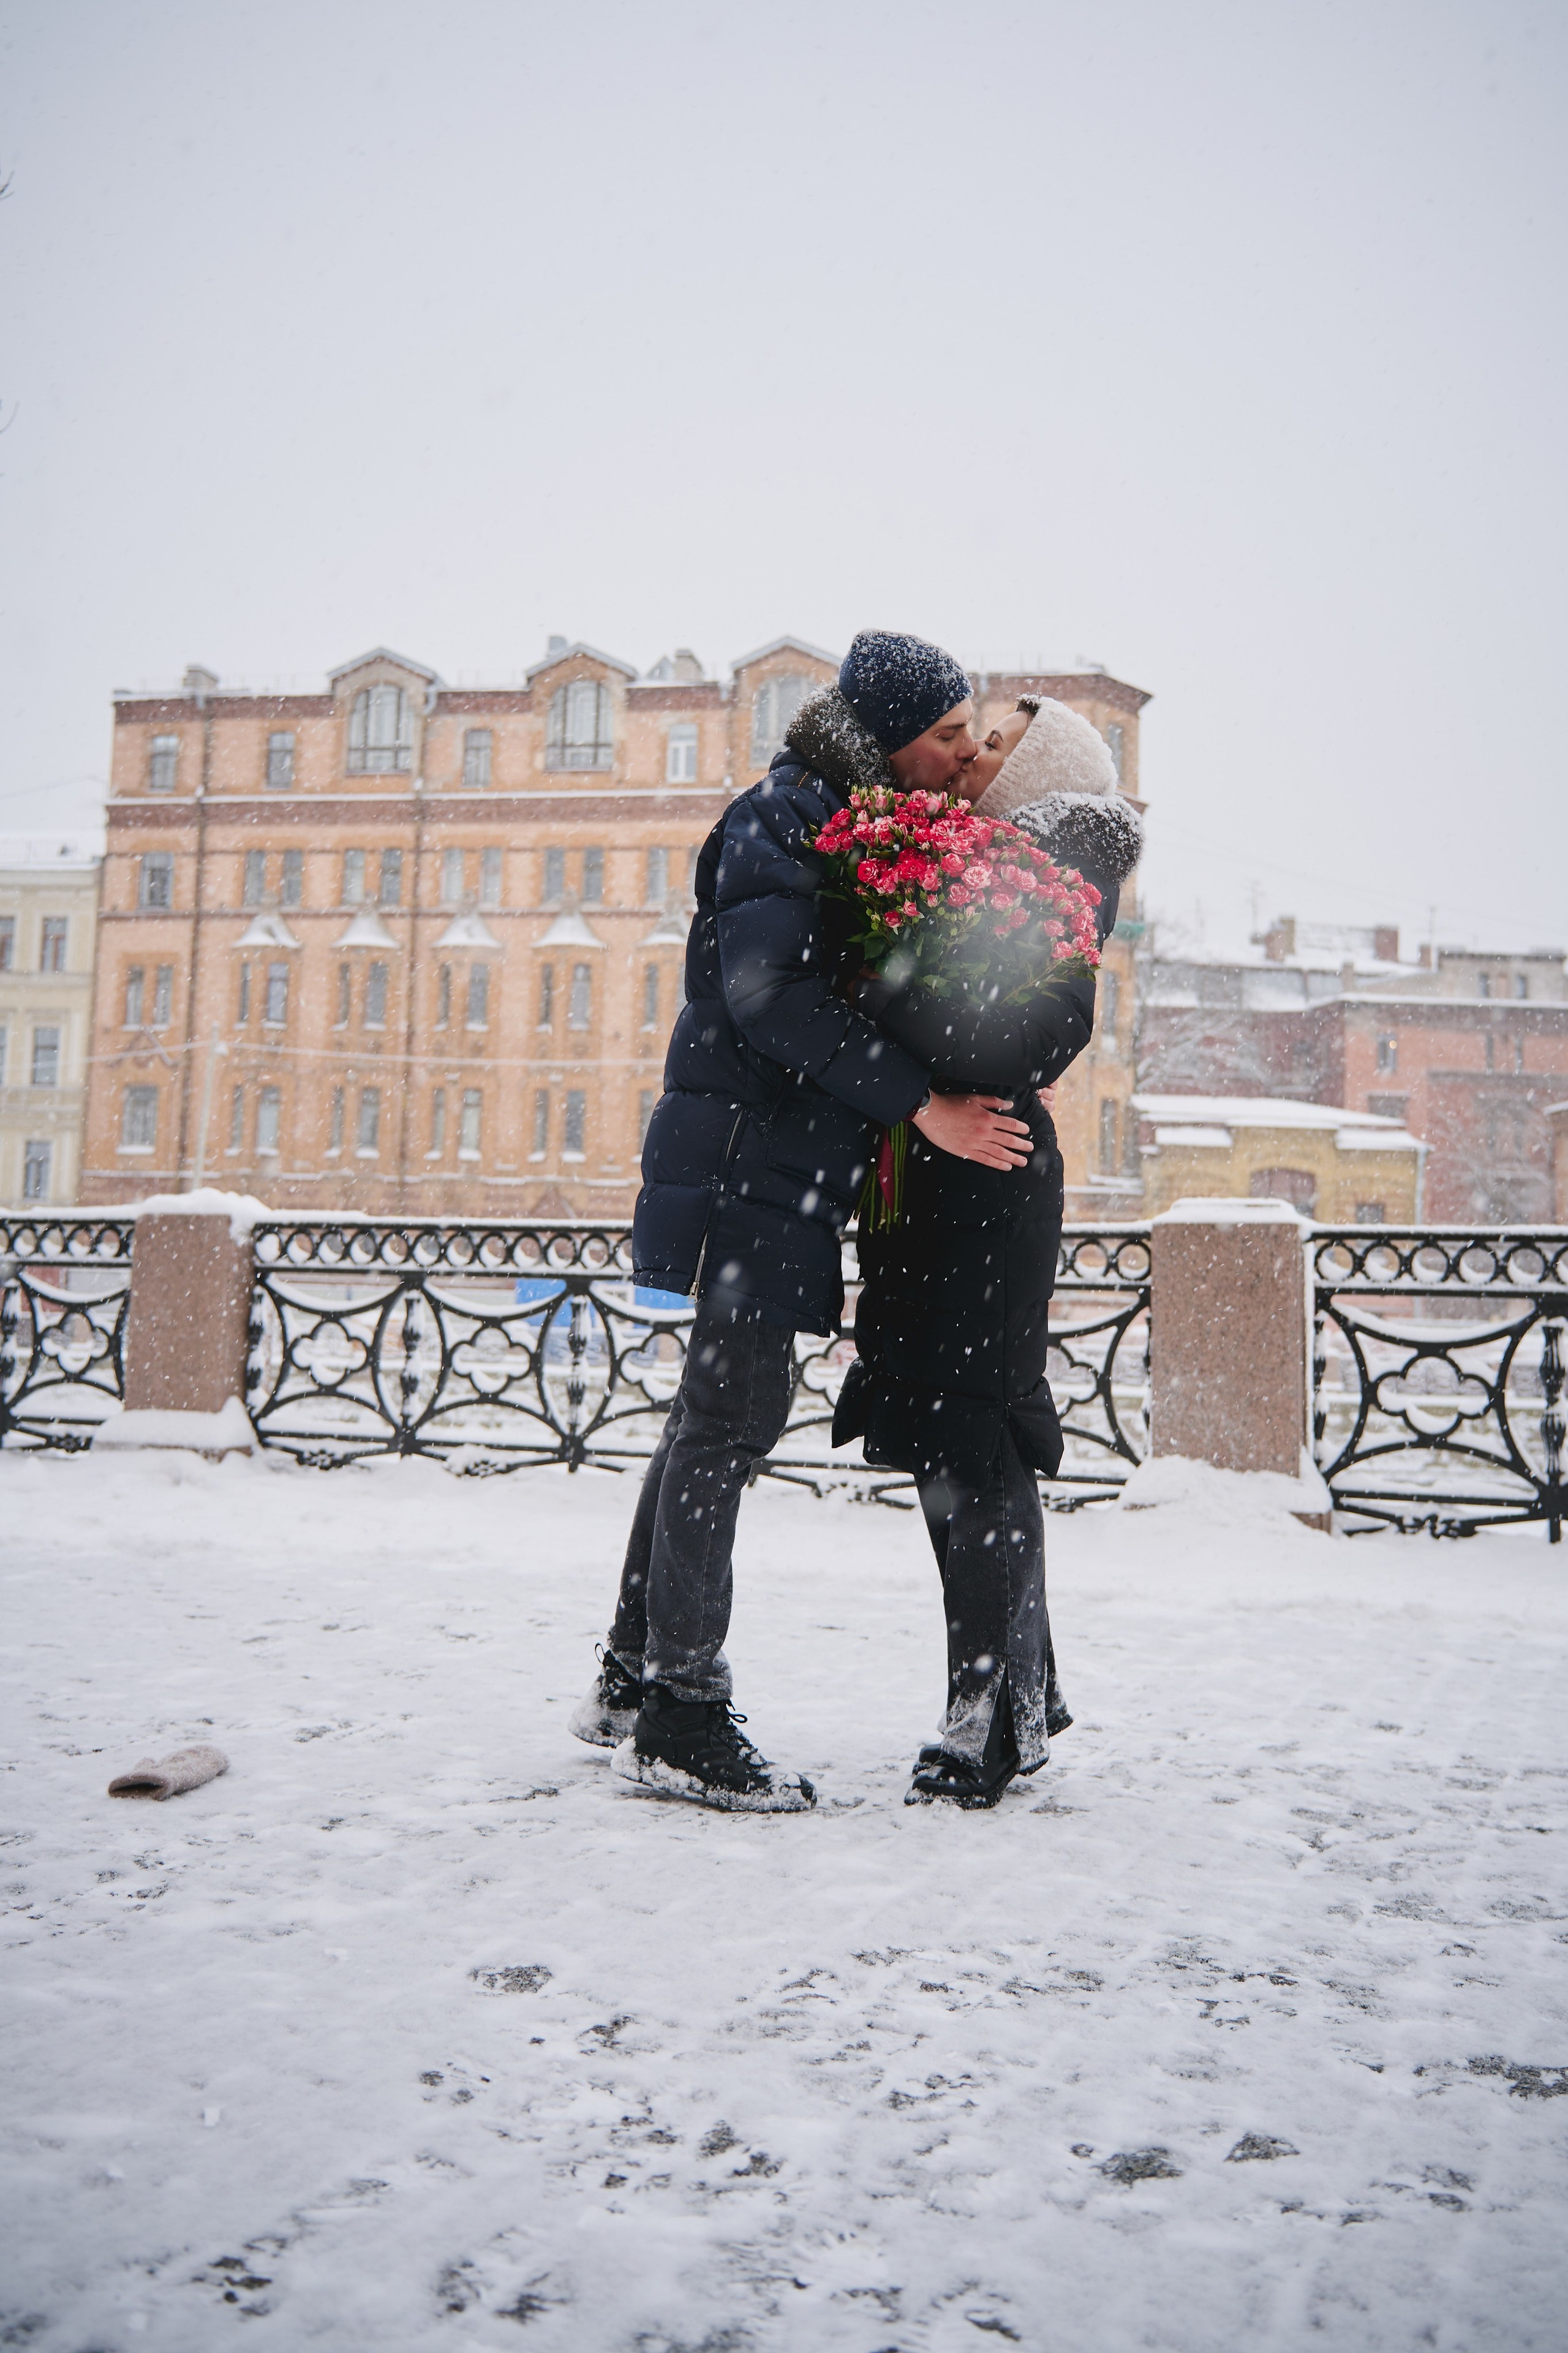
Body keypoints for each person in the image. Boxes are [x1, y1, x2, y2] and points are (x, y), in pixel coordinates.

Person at [570, 632, 1034, 1811]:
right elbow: (769, 996)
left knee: (704, 1425)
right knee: (730, 1422)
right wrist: (919, 1105)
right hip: (745, 1169)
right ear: (885, 733)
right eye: (943, 735)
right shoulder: (788, 815)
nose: (957, 756)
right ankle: (681, 1708)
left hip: (768, 1169)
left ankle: (633, 1678)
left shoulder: (837, 814)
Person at [834, 694, 1144, 1809]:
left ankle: (990, 1714)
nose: (972, 761)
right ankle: (1023, 1686)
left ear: (1037, 774)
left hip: (992, 1181)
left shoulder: (1061, 874)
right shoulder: (964, 858)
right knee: (938, 1433)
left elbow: (1020, 1036)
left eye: (998, 750)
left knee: (975, 1441)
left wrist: (880, 995)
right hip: (928, 1184)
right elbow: (956, 1025)